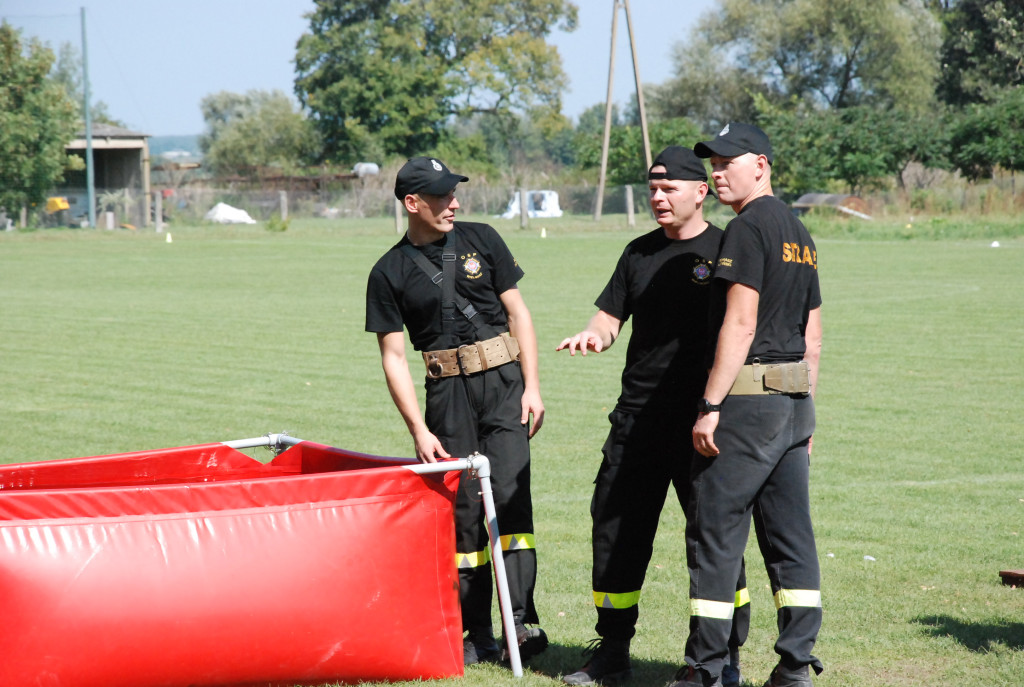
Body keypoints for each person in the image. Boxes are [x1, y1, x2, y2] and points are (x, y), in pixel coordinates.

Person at [556, 147, 750, 687]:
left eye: (669, 189)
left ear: (699, 192)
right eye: (653, 189)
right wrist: (594, 334)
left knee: (714, 540)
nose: (658, 198)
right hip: (637, 421)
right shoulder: (638, 252)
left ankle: (718, 658)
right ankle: (613, 649)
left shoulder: (727, 249)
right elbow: (610, 314)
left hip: (704, 423)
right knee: (615, 531)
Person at [365, 156, 548, 666]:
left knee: (512, 502)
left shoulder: (483, 238)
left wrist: (532, 388)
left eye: (455, 194)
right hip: (446, 399)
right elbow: (394, 358)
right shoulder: (388, 272)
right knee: (463, 515)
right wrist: (419, 429)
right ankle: (477, 634)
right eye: (443, 196)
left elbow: (519, 313)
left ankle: (521, 623)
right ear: (412, 203)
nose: (455, 203)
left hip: (505, 385)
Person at [672, 123, 824, 687]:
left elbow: (740, 322)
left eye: (727, 161)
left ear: (759, 164)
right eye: (712, 162)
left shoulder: (746, 228)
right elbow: (812, 331)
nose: (717, 171)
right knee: (791, 537)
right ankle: (795, 666)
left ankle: (707, 669)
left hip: (747, 406)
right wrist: (808, 409)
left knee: (715, 532)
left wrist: (710, 404)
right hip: (792, 404)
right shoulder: (800, 232)